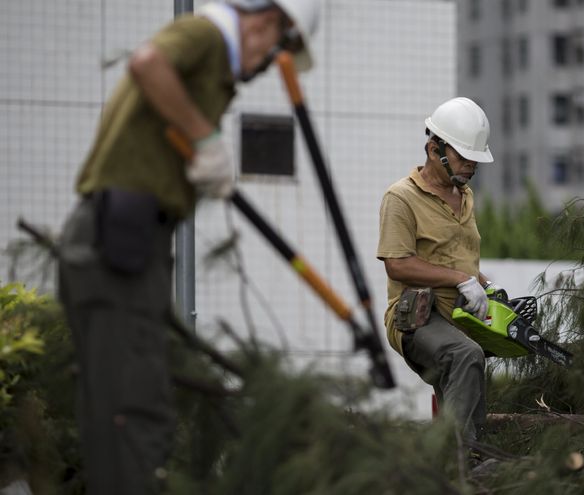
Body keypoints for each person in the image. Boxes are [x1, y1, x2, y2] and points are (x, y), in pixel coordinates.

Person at [55, 1, 318, 493]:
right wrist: (204, 137)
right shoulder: (208, 35)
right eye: (274, 54)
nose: (265, 67)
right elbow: (148, 62)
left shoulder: (213, 61)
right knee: (131, 412)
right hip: (119, 242)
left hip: (128, 241)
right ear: (267, 24)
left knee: (131, 407)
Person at [377, 97, 500, 446]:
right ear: (434, 150)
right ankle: (453, 455)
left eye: (475, 161)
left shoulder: (466, 196)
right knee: (465, 355)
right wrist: (460, 280)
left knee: (471, 371)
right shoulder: (401, 198)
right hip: (417, 317)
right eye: (464, 158)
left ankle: (470, 457)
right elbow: (397, 263)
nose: (471, 167)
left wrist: (485, 284)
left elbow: (458, 258)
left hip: (458, 316)